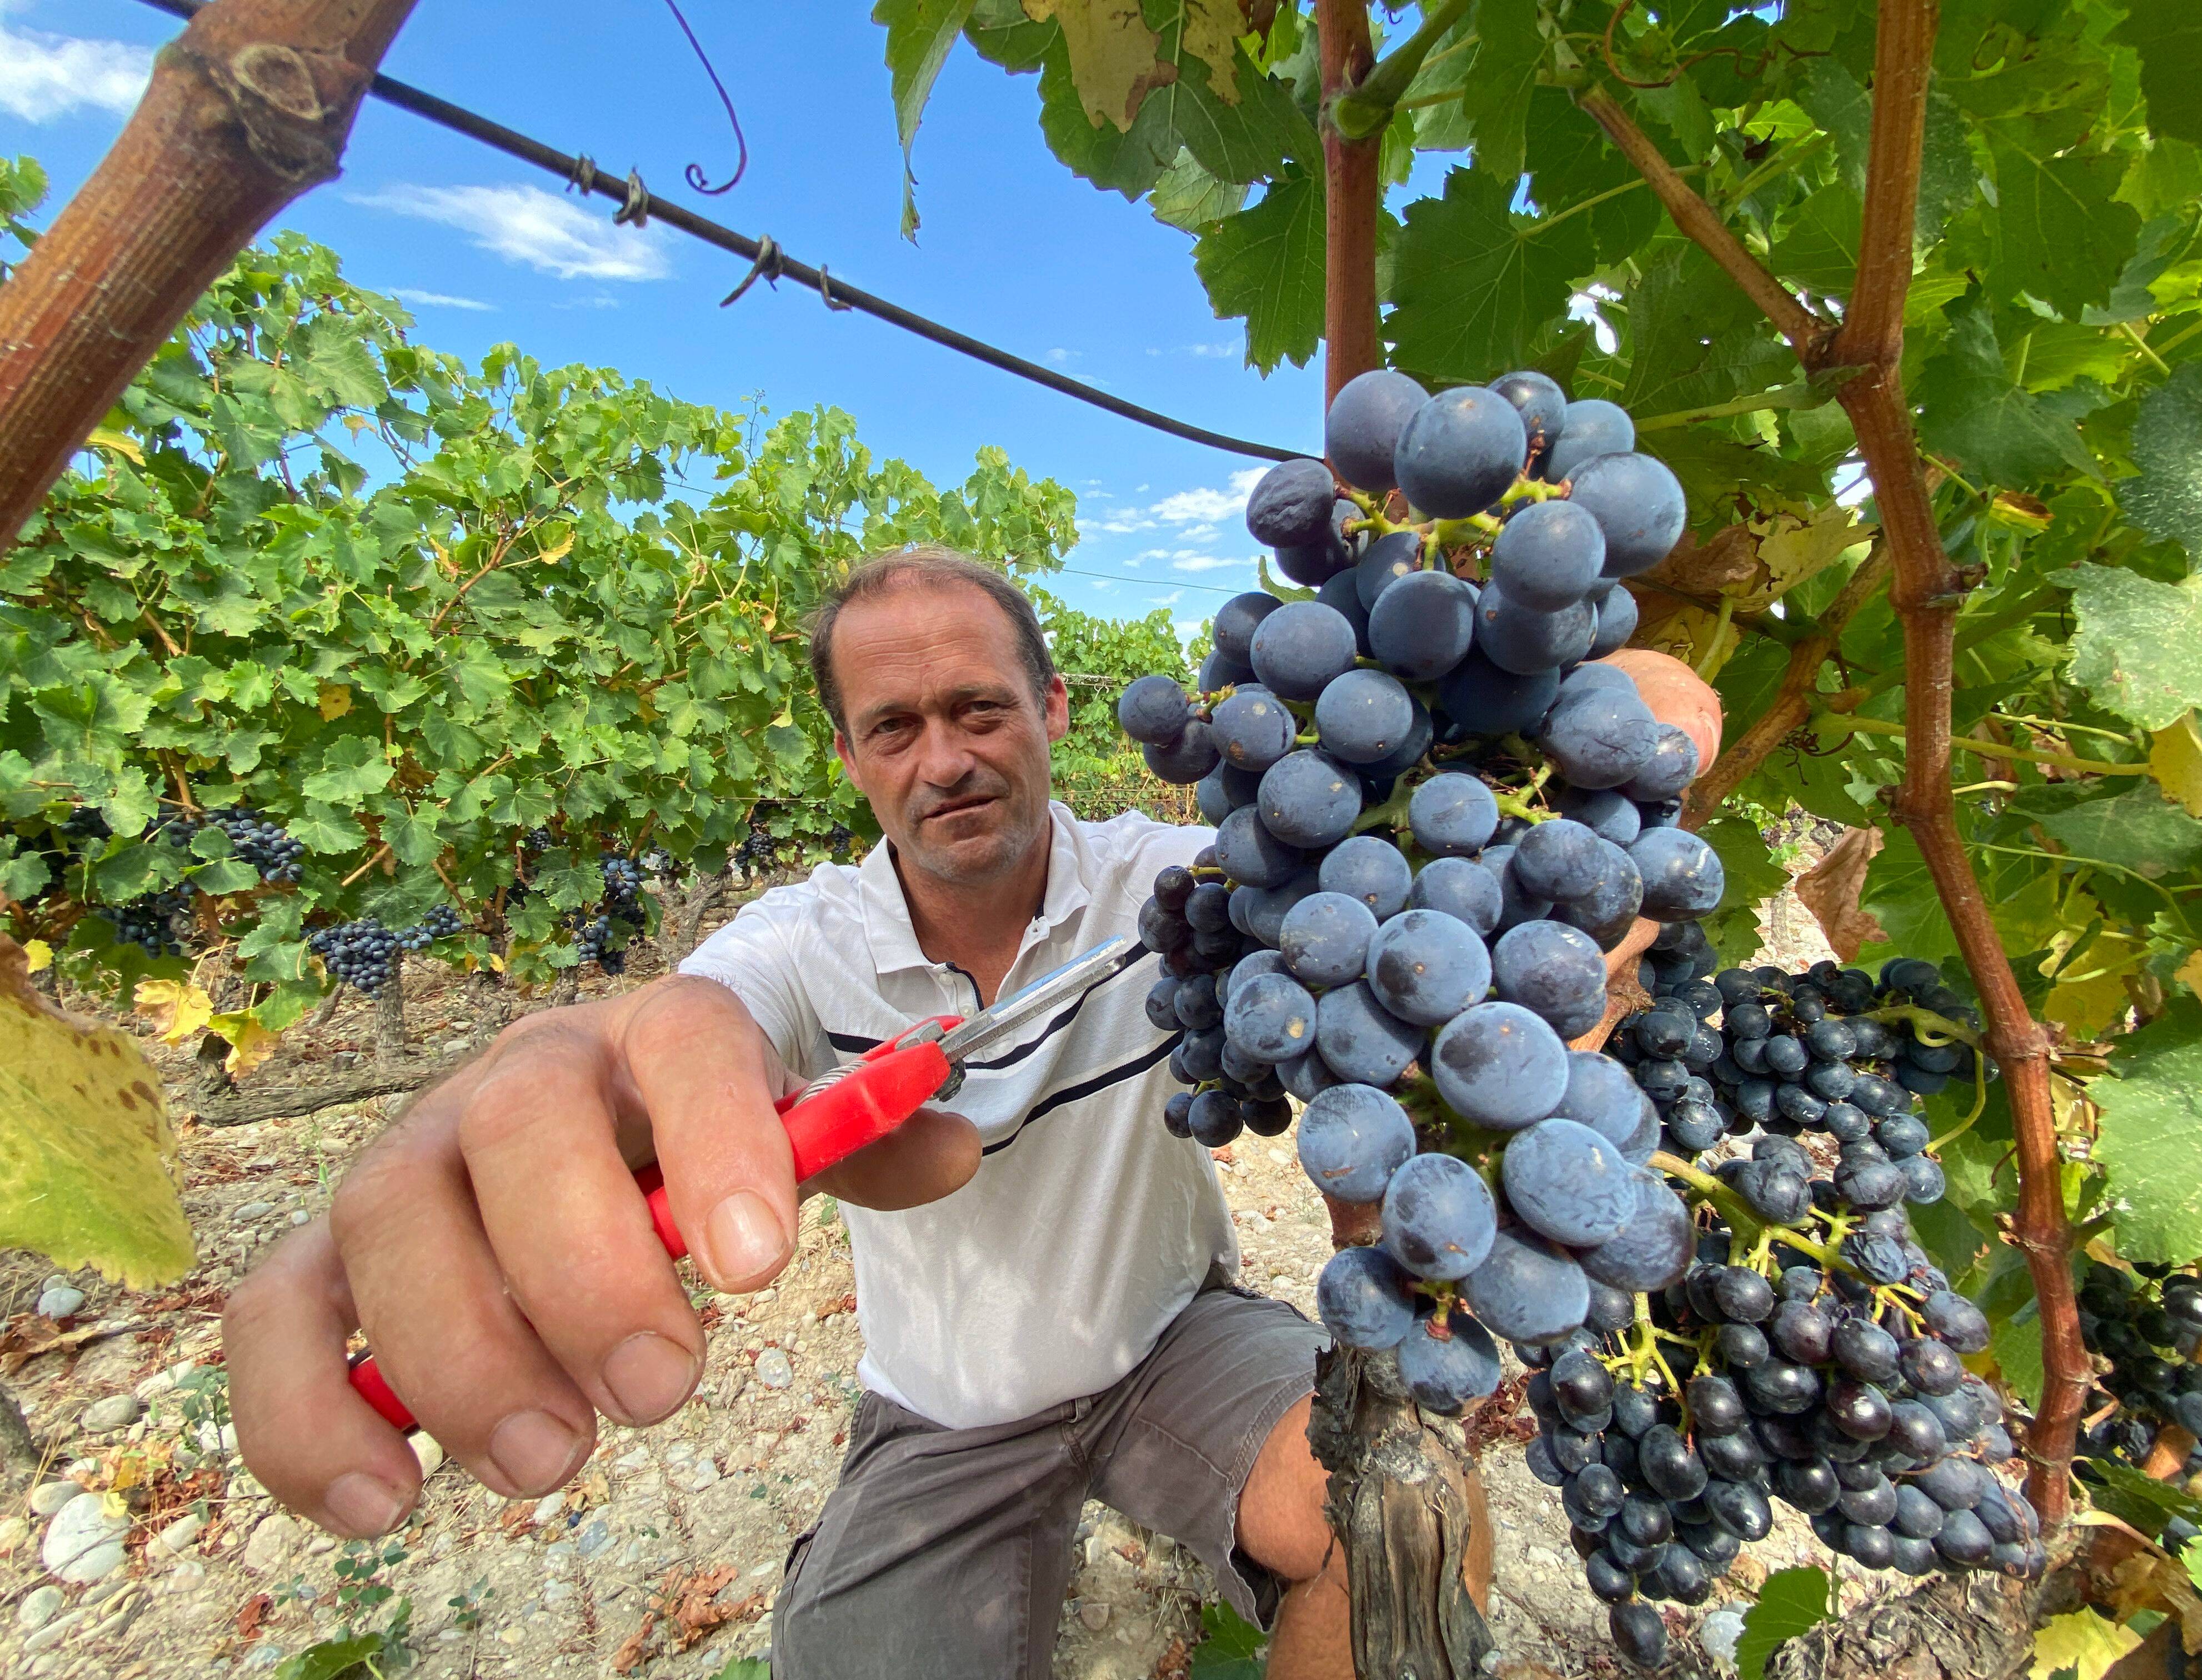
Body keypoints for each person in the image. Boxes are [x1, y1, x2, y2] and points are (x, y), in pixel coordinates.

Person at [225, 547, 1721, 1680]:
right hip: (941, 1413)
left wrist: (1570, 742)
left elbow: (1641, 725)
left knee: (1402, 1518)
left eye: (979, 708)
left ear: (1055, 710)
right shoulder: (805, 945)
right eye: (893, 728)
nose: (942, 758)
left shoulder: (1175, 885)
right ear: (851, 758)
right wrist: (587, 1068)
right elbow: (673, 1037)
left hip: (1173, 1343)